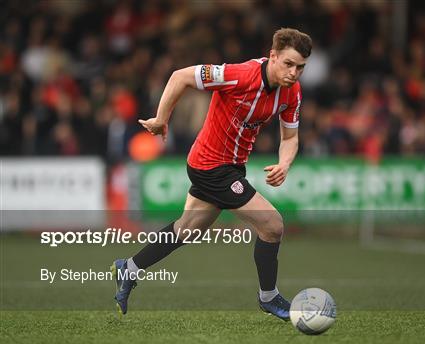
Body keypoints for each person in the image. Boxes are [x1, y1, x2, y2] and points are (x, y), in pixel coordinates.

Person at [111, 28, 312, 321]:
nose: (294, 73)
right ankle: (268, 297)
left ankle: (128, 268)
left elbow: (290, 138)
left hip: (230, 166)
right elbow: (180, 76)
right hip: (211, 165)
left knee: (187, 229)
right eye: (289, 64)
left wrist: (284, 164)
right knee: (272, 225)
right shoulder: (240, 75)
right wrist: (161, 119)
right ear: (273, 56)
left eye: (301, 67)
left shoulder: (291, 92)